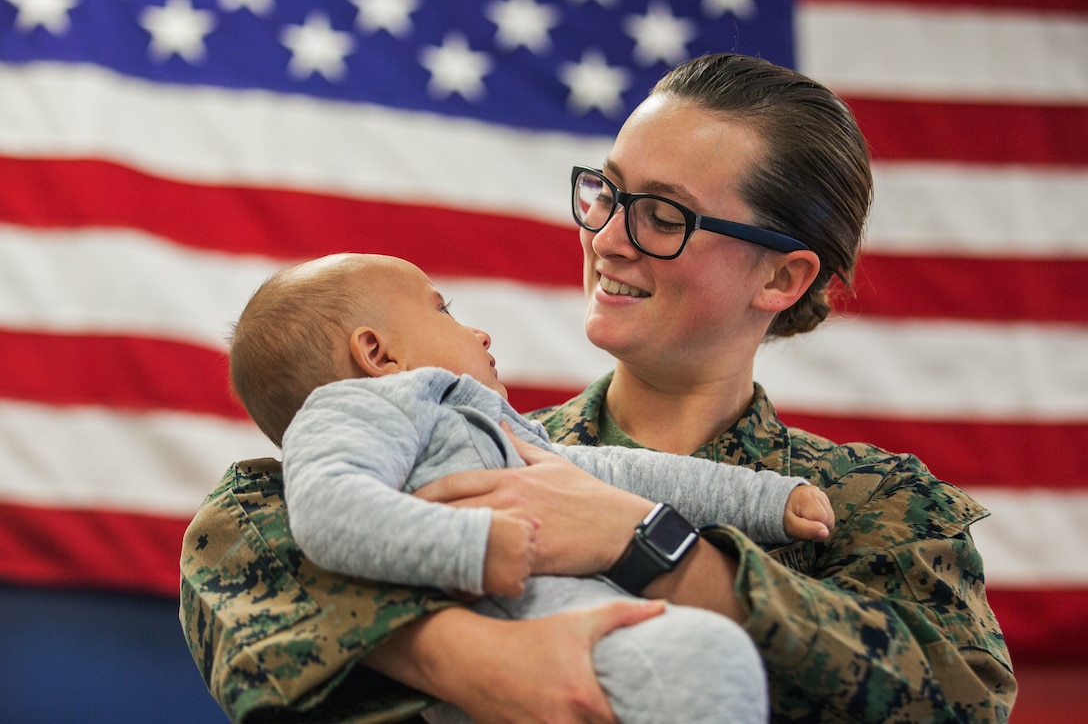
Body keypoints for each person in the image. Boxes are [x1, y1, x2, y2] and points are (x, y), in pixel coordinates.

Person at [180, 52, 1016, 723]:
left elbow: (960, 694)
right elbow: (236, 552)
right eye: (608, 192)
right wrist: (472, 658)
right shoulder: (454, 452)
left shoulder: (878, 505)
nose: (608, 237)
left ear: (782, 275)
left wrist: (650, 546)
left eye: (663, 214)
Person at [228, 252, 835, 724]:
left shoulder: (486, 426)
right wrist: (473, 545)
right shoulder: (354, 410)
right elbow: (329, 510)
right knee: (705, 657)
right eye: (443, 312)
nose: (480, 333)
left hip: (585, 633)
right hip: (521, 629)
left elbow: (619, 475)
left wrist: (764, 499)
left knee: (706, 659)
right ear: (376, 353)